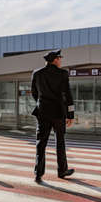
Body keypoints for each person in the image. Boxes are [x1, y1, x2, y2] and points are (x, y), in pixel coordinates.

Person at [31, 49, 75, 183]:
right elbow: (68, 95)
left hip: (43, 112)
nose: (61, 60)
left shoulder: (37, 73)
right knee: (60, 142)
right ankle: (62, 171)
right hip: (58, 112)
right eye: (60, 58)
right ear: (55, 59)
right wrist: (70, 114)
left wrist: (41, 104)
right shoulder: (63, 74)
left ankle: (38, 174)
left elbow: (34, 93)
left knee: (41, 143)